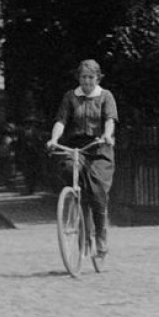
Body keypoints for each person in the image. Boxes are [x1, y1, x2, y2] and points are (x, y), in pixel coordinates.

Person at [46, 59, 118, 256]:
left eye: (91, 77)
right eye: (83, 77)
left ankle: (101, 237)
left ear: (98, 78)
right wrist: (54, 138)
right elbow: (61, 120)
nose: (87, 82)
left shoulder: (105, 96)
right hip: (77, 147)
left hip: (98, 148)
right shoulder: (70, 97)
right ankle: (78, 212)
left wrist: (107, 135)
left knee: (97, 193)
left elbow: (110, 119)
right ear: (78, 78)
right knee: (69, 169)